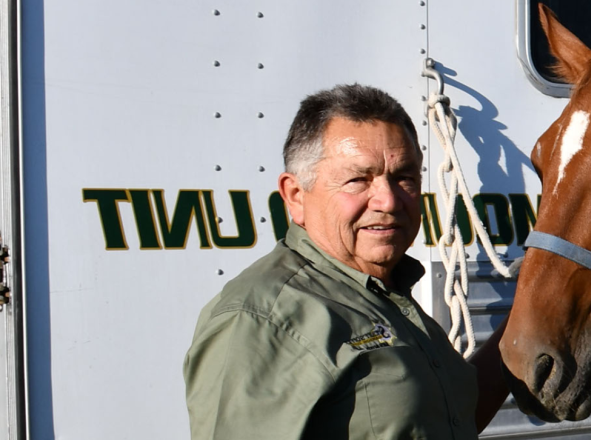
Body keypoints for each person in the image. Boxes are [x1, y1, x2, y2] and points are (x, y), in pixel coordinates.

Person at [184, 84, 477, 439]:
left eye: (404, 178)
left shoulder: (386, 293)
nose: (388, 200)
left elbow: (446, 424)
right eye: (357, 180)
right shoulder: (263, 319)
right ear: (295, 196)